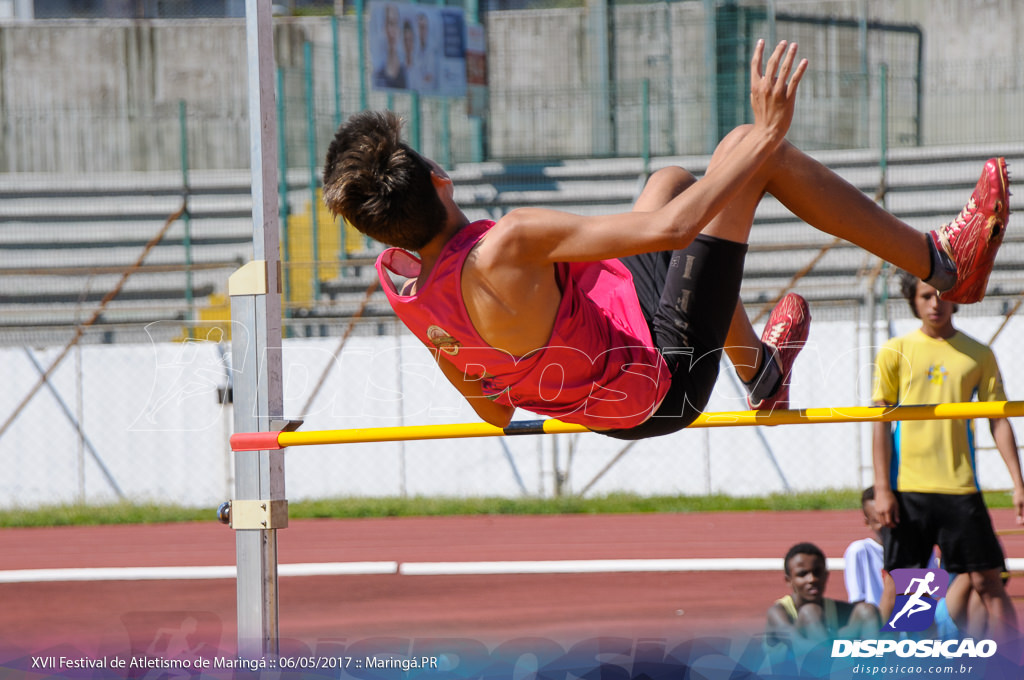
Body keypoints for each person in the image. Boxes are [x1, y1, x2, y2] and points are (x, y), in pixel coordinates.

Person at [322, 39, 1010, 440]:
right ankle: (946, 263)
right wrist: (766, 137)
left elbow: (493, 407)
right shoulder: (511, 242)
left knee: (669, 181)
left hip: (607, 384)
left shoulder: (399, 278)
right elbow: (675, 235)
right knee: (743, 150)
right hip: (663, 381)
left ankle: (761, 373)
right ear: (440, 179)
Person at [872, 269, 1024, 641]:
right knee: (911, 586)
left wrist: (1018, 484)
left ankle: (1009, 659)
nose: (934, 303)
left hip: (959, 488)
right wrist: (882, 488)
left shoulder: (977, 354)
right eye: (925, 296)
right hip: (909, 489)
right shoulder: (896, 351)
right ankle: (911, 660)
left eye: (941, 295)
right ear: (914, 301)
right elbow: (879, 422)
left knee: (988, 580)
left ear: (957, 298)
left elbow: (999, 420)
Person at [765, 542, 880, 657]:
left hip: (831, 661)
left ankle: (874, 668)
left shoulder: (836, 609)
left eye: (817, 572)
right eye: (802, 574)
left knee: (867, 610)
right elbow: (797, 645)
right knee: (810, 611)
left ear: (826, 576)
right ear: (788, 580)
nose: (812, 579)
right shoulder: (777, 613)